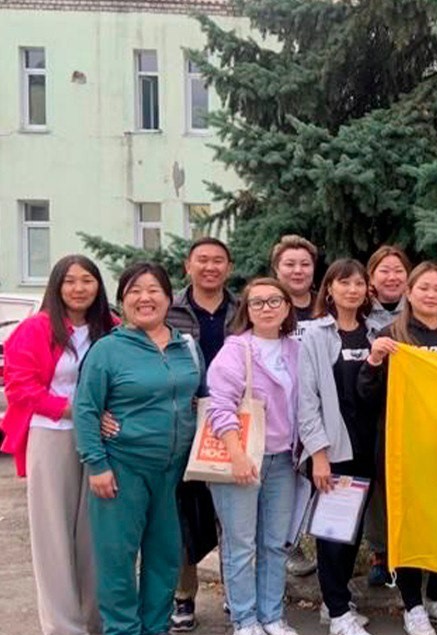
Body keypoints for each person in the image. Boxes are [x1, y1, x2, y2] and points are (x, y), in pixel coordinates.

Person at [74, 262, 203, 635]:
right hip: (121, 469)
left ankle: (155, 627)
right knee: (118, 559)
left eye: (153, 290)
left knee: (165, 557)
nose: (145, 298)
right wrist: (97, 464)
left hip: (173, 472)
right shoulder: (107, 350)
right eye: (134, 291)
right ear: (122, 301)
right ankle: (122, 629)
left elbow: (199, 398)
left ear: (169, 298)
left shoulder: (186, 346)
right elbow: (86, 409)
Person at [2, 255, 115, 635]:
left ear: (98, 286)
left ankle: (96, 619)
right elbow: (20, 387)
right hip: (51, 433)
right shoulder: (35, 328)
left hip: (101, 437)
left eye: (87, 280)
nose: (79, 288)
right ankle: (64, 627)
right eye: (70, 281)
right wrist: (75, 410)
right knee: (53, 533)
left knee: (95, 531)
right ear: (56, 285)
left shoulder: (110, 328)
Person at [362, 262, 437, 635]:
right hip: (403, 449)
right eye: (423, 287)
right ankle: (413, 607)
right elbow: (367, 395)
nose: (431, 294)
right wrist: (374, 360)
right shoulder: (392, 335)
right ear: (409, 292)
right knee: (407, 527)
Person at [206, 278, 302, 635]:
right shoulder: (236, 350)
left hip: (284, 461)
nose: (267, 308)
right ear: (246, 310)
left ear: (287, 307)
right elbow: (220, 406)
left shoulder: (296, 350)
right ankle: (245, 620)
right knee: (241, 545)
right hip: (243, 459)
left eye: (274, 300)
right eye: (257, 302)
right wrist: (236, 454)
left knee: (275, 544)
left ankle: (272, 615)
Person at [298, 259, 380, 635]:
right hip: (334, 450)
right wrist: (319, 455)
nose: (352, 289)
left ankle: (338, 604)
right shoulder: (315, 335)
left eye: (359, 283)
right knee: (332, 534)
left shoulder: (373, 333)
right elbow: (306, 400)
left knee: (351, 532)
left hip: (367, 447)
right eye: (344, 283)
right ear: (329, 289)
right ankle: (336, 613)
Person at [165, 236, 240, 632]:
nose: (210, 267)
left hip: (235, 424)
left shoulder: (241, 310)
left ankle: (235, 592)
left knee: (234, 512)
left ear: (229, 267)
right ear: (188, 266)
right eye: (202, 260)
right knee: (184, 516)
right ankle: (184, 596)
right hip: (184, 424)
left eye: (218, 261)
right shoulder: (169, 309)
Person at [362, 245, 412, 587]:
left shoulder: (421, 307)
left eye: (398, 270)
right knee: (378, 486)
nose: (392, 277)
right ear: (371, 277)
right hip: (374, 409)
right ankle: (381, 552)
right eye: (384, 270)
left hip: (413, 412)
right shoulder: (360, 311)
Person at [271, 235, 319, 323]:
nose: (298, 271)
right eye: (290, 264)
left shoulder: (328, 305)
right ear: (276, 269)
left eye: (305, 264)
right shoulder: (265, 308)